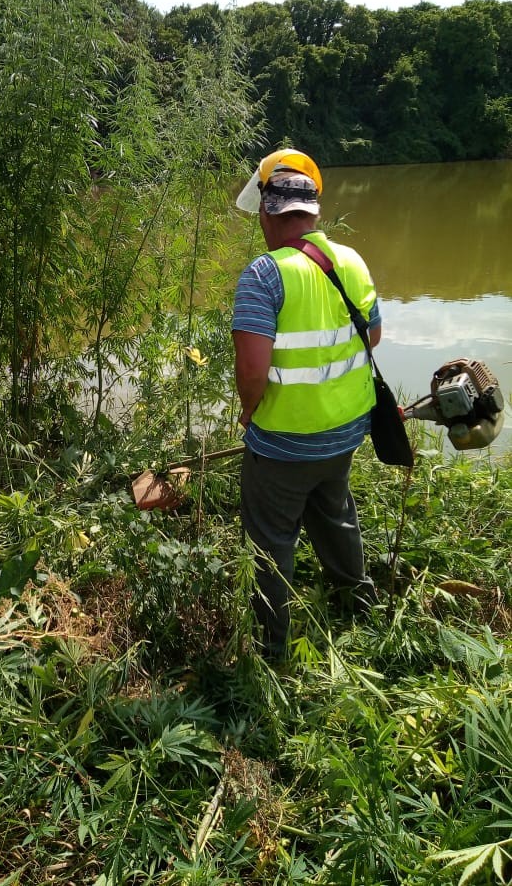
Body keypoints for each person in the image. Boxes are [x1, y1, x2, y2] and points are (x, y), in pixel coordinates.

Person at [232, 148, 380, 662]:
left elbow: (252, 371)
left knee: (271, 541)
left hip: (282, 444)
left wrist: (247, 413)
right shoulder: (353, 261)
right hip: (344, 433)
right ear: (314, 212)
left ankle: (271, 651)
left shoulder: (263, 275)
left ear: (270, 214)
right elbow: (374, 336)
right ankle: (359, 604)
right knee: (334, 512)